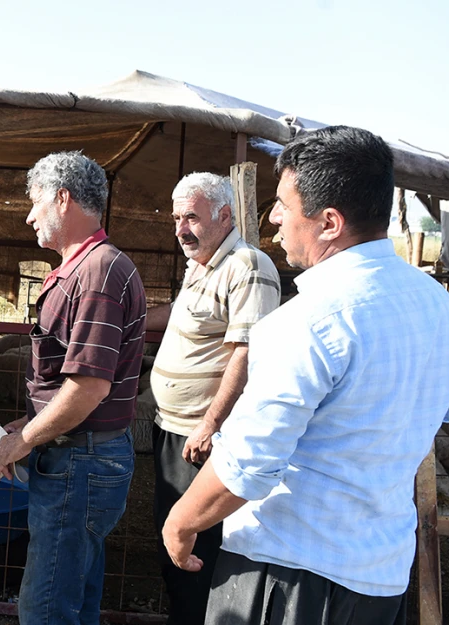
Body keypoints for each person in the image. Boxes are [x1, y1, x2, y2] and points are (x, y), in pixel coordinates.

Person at [162, 126, 449, 625]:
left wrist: (181, 520)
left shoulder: (310, 320)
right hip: (379, 576)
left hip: (289, 574)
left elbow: (248, 462)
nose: (274, 217)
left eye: (283, 203)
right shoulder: (442, 309)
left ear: (329, 221)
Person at [0, 151, 147, 625]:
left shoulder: (97, 274)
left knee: (45, 607)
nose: (29, 215)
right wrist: (29, 421)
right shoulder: (87, 268)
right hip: (81, 455)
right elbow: (69, 379)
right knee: (75, 595)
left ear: (62, 199)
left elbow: (87, 389)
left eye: (36, 202)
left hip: (78, 462)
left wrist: (23, 441)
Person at [146, 173, 280, 624]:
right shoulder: (201, 264)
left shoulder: (248, 266)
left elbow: (246, 354)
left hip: (202, 440)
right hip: (173, 429)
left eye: (192, 218)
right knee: (172, 537)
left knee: (197, 547)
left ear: (225, 216)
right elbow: (178, 315)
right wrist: (131, 320)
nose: (182, 228)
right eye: (177, 218)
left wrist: (210, 424)